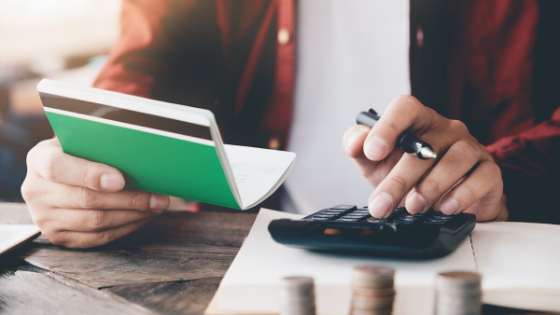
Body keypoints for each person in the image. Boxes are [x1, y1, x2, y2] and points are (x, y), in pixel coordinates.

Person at [22, 0, 560, 248]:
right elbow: (144, 68)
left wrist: (503, 173)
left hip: (480, 255)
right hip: (243, 256)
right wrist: (84, 157)